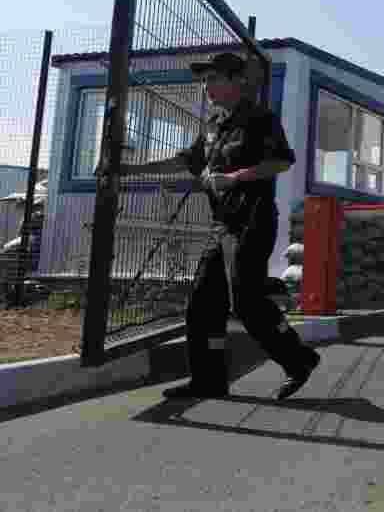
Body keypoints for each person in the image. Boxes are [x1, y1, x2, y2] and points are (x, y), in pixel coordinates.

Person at [116, 52, 320, 400]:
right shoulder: (213, 125)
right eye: (205, 80)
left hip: (253, 219)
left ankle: (299, 359)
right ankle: (208, 380)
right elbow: (185, 161)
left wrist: (235, 177)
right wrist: (130, 170)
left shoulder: (259, 118)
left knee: (245, 301)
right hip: (223, 224)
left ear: (235, 80)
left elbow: (281, 161)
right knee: (202, 303)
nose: (206, 86)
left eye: (213, 78)